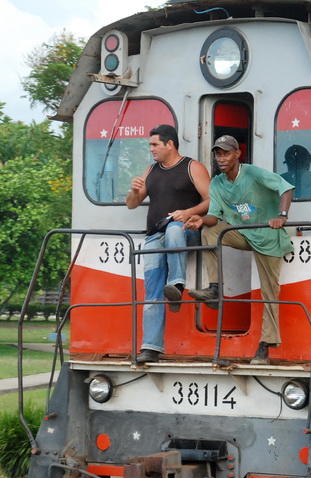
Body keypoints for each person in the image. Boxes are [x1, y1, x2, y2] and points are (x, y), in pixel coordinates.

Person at [185, 135, 293, 365]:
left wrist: (281, 217)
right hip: (242, 233)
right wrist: (201, 220)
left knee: (269, 292)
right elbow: (214, 216)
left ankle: (265, 345)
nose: (221, 158)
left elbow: (285, 188)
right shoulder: (217, 183)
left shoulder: (253, 173)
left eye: (225, 153)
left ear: (237, 154)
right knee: (208, 233)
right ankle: (215, 289)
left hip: (267, 236)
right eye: (217, 154)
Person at [126, 124, 210, 364]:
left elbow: (211, 200)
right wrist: (133, 192)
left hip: (186, 232)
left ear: (169, 144)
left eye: (154, 144)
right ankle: (150, 348)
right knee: (151, 291)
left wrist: (188, 212)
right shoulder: (151, 170)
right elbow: (132, 204)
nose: (151, 149)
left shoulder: (193, 167)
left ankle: (176, 284)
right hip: (154, 236)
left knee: (174, 227)